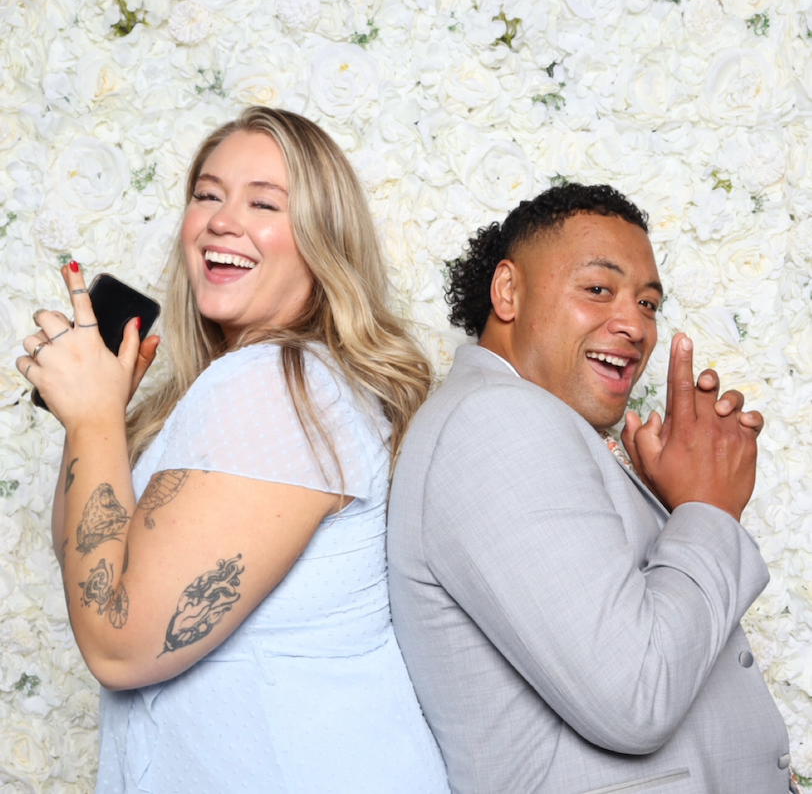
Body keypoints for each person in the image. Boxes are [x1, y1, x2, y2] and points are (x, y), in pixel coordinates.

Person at [18, 107, 450, 794]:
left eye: (264, 203)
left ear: (323, 240)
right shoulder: (251, 386)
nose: (222, 220)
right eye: (207, 194)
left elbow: (118, 644)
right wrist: (93, 419)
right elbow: (96, 563)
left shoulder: (278, 385)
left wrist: (95, 420)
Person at [387, 183, 792, 794]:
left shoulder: (526, 421)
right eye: (598, 289)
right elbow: (636, 695)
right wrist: (708, 508)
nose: (634, 325)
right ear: (508, 291)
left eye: (648, 304)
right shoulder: (495, 421)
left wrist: (671, 507)